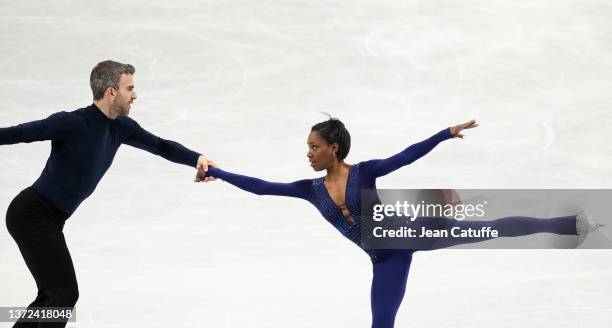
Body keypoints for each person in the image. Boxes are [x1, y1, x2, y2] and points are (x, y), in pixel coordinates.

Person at [197, 117, 601, 328]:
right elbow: (262, 187)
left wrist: (444, 133)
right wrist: (220, 172)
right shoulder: (309, 189)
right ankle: (450, 207)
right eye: (308, 147)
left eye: (314, 147)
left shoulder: (365, 172)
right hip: (386, 259)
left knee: (492, 227)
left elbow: (405, 156)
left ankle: (566, 223)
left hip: (412, 231)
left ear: (333, 149)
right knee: (381, 323)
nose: (308, 153)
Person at [1, 60, 212, 328]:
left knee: (53, 296)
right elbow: (19, 133)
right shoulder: (72, 123)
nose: (135, 95)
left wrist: (197, 158)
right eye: (130, 88)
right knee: (62, 294)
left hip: (51, 219)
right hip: (31, 214)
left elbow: (160, 146)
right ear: (111, 92)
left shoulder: (121, 127)